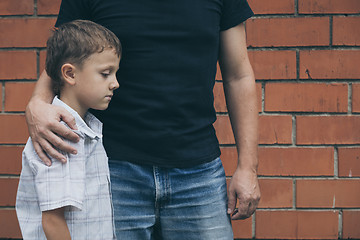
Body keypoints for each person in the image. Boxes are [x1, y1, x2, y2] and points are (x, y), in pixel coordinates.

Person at [25, 0, 260, 239]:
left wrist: (248, 167)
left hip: (198, 173)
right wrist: (37, 104)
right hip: (111, 167)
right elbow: (65, 57)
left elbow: (238, 76)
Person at [16, 19, 121, 240]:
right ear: (70, 74)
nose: (115, 83)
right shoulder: (61, 135)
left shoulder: (86, 128)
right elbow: (52, 220)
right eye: (105, 73)